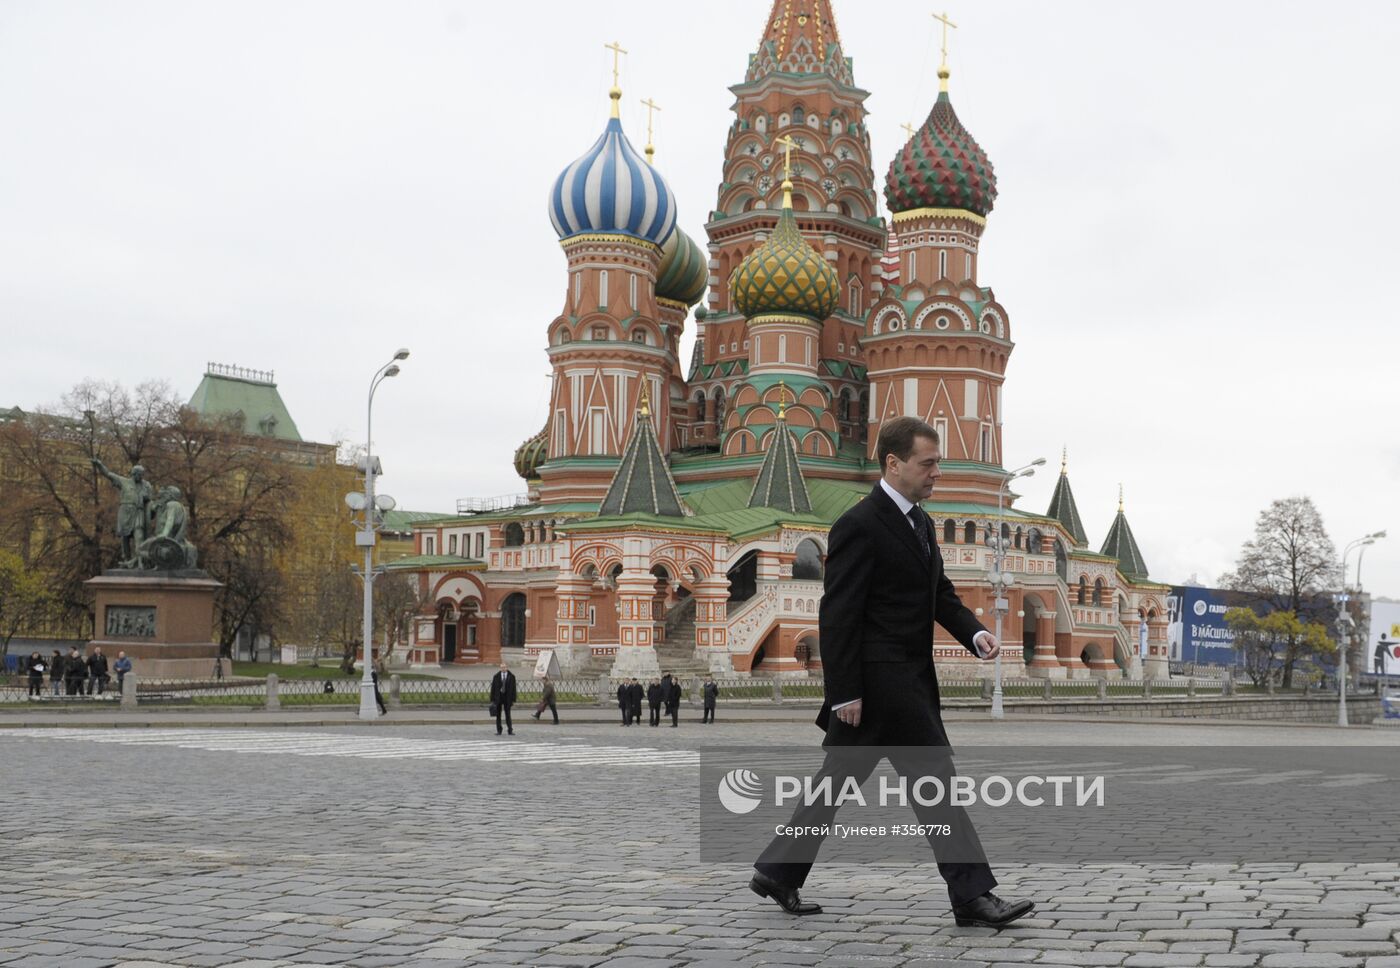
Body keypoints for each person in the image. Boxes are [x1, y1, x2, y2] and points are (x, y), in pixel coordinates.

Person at [749, 417, 1035, 929]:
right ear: (893, 464)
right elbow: (837, 615)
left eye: (938, 463)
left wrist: (974, 633)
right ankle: (972, 897)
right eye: (928, 464)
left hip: (905, 682)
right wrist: (844, 693)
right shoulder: (860, 524)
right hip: (882, 687)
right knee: (938, 788)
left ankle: (778, 872)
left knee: (832, 789)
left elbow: (940, 594)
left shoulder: (920, 522)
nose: (936, 473)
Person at [489, 662, 516, 735]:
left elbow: (514, 689)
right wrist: (492, 699)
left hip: (507, 697)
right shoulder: (496, 676)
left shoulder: (511, 676)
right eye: (502, 667)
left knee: (508, 714)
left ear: (507, 668)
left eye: (504, 667)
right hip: (499, 697)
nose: (503, 669)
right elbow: (493, 688)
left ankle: (510, 730)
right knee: (498, 715)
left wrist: (513, 699)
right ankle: (499, 730)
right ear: (500, 668)